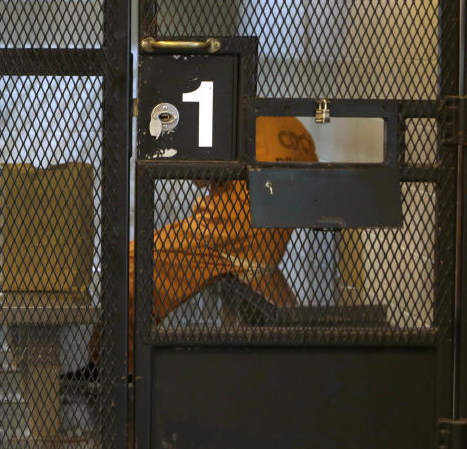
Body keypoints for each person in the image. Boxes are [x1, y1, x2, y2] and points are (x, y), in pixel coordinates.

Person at [64, 116, 318, 383]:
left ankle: (114, 371)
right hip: (271, 242)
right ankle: (109, 364)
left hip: (225, 233)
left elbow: (200, 176)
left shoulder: (228, 117)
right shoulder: (293, 126)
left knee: (131, 265)